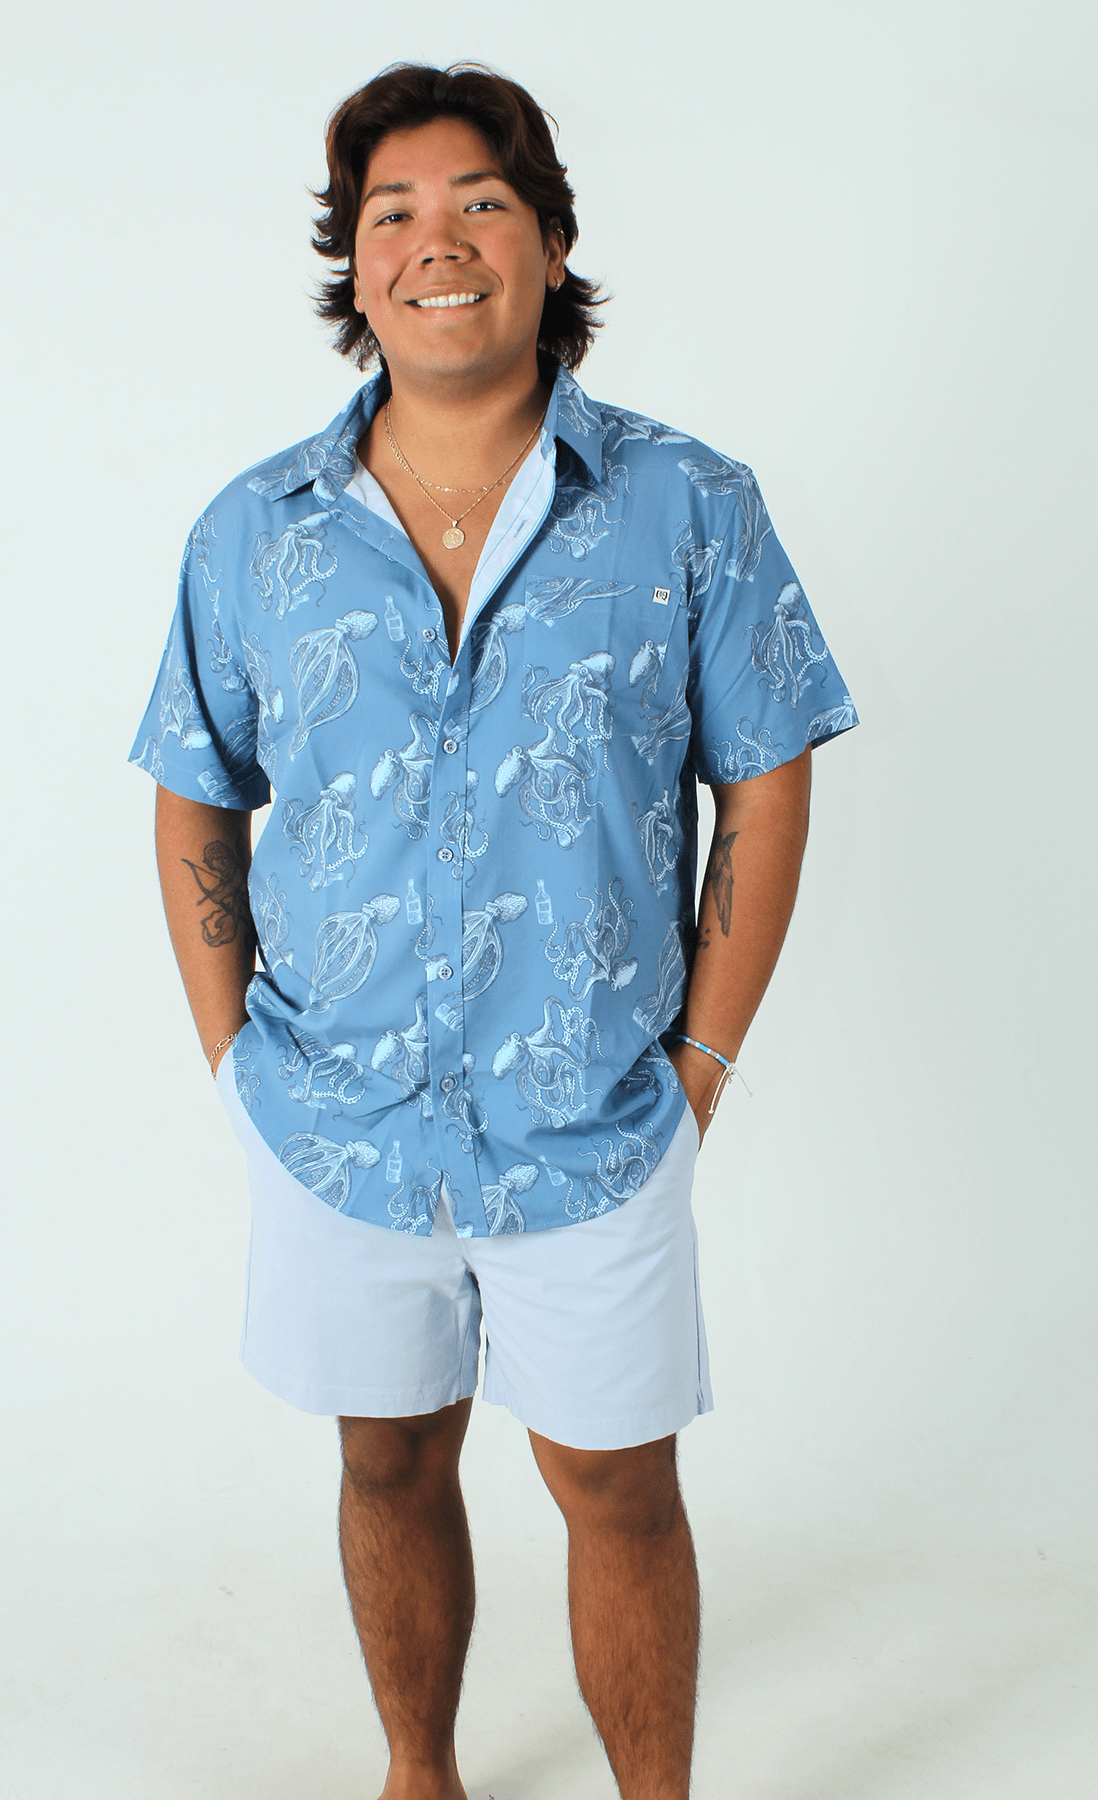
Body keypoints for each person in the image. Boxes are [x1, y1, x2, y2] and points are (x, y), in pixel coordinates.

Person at [130, 61, 856, 1800]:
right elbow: (194, 791)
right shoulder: (254, 535)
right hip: (339, 1122)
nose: (434, 242)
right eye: (392, 214)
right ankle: (420, 1772)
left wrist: (700, 1060)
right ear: (356, 264)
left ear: (548, 244)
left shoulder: (689, 506)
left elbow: (764, 782)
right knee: (386, 1460)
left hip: (594, 1121)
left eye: (479, 204)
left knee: (618, 1482)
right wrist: (235, 1064)